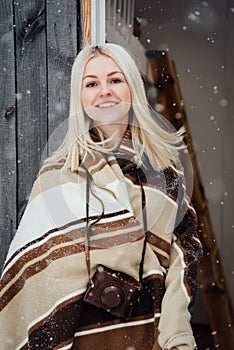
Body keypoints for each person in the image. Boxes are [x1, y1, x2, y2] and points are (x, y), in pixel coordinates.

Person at [0, 43, 203, 350]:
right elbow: (38, 269)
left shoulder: (165, 170)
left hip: (153, 332)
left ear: (132, 88)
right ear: (80, 98)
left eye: (115, 80)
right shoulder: (58, 173)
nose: (104, 91)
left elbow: (184, 255)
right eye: (92, 84)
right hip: (82, 335)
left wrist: (175, 335)